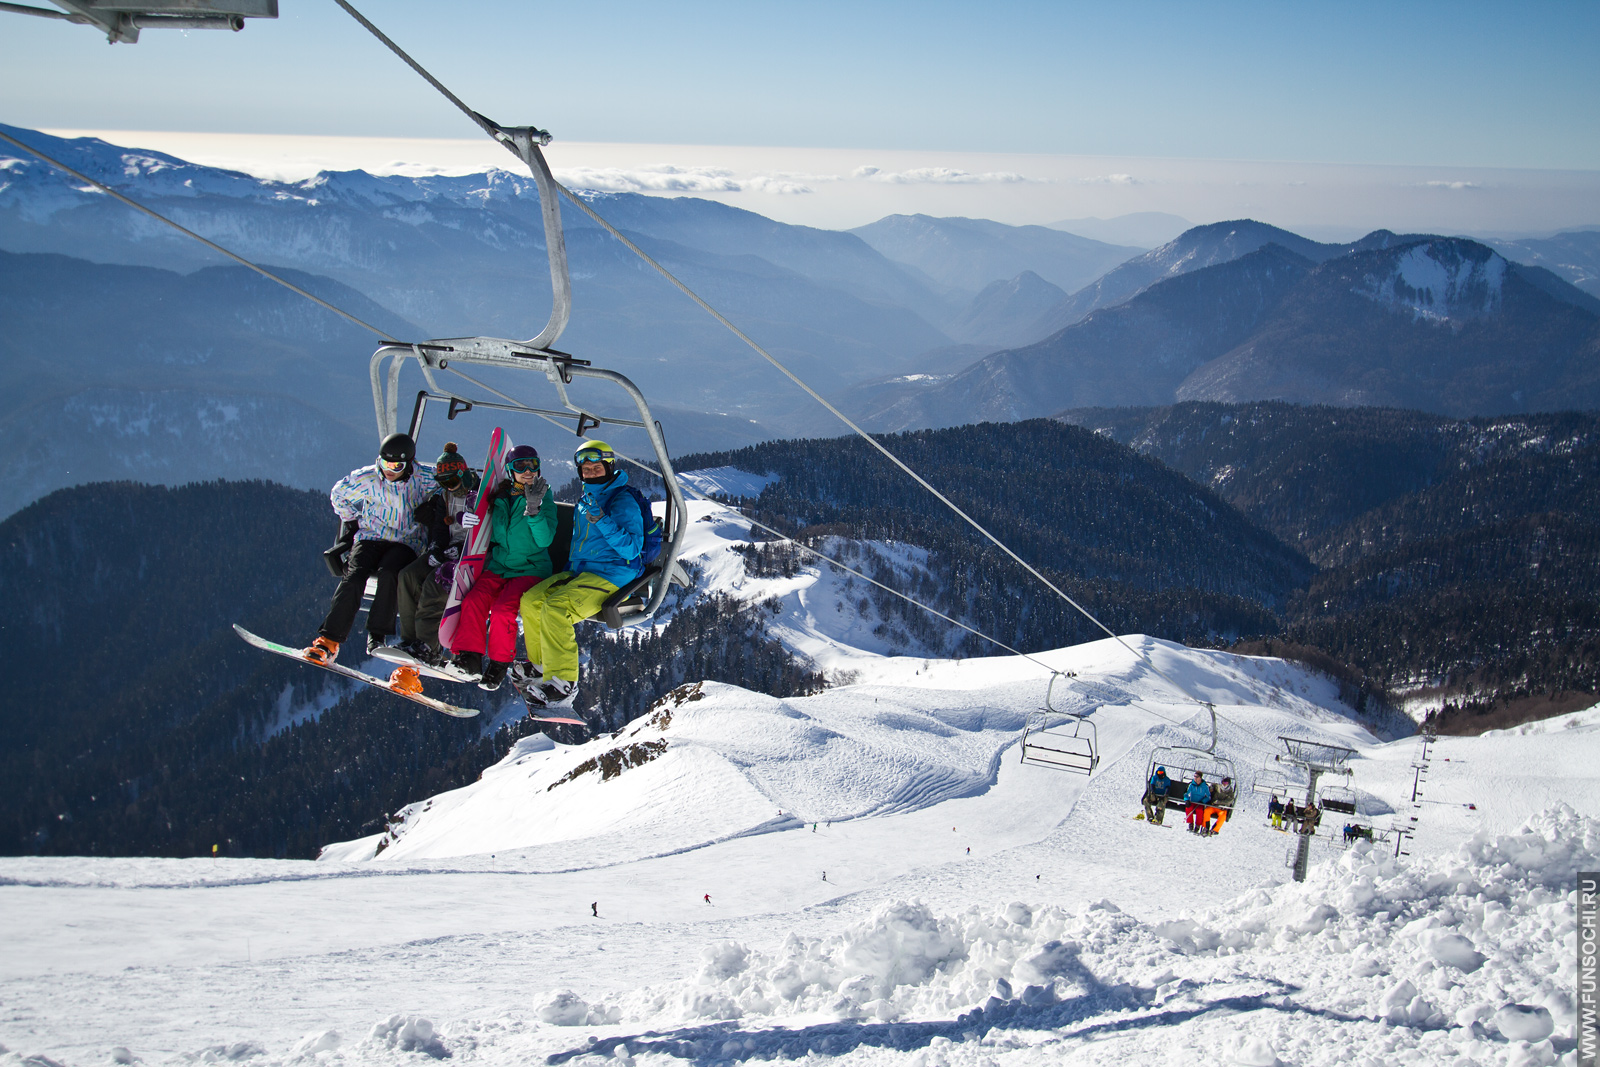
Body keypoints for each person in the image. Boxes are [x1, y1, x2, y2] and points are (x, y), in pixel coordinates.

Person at [518, 440, 645, 708]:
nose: (591, 473)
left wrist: (602, 520)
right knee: (530, 601)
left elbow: (632, 548)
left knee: (555, 609)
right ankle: (541, 665)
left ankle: (564, 683)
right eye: (586, 470)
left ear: (609, 467)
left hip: (613, 574)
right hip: (582, 571)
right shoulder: (588, 498)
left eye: (597, 468)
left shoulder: (623, 499)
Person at [305, 433, 436, 664]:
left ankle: (377, 635)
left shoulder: (423, 478)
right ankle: (328, 641)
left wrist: (435, 509)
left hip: (405, 541)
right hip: (370, 536)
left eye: (397, 465)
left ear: (410, 463)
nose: (389, 469)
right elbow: (338, 494)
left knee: (390, 575)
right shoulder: (368, 478)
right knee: (353, 577)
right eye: (386, 463)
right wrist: (351, 519)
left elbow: (451, 483)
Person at [450, 444, 557, 691]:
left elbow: (544, 540)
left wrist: (534, 510)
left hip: (531, 568)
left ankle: (498, 665)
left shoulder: (543, 496)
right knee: (473, 601)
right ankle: (470, 659)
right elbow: (476, 512)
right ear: (510, 470)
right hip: (499, 565)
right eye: (520, 465)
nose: (528, 470)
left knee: (502, 611)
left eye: (533, 464)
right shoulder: (499, 496)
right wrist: (463, 518)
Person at [394, 443, 481, 668]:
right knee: (408, 576)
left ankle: (428, 646)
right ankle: (410, 639)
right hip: (448, 549)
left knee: (434, 585)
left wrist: (461, 550)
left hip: (471, 555)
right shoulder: (445, 496)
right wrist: (435, 549)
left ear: (462, 473)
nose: (449, 487)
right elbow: (440, 528)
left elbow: (488, 532)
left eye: (452, 481)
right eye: (443, 483)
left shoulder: (481, 493)